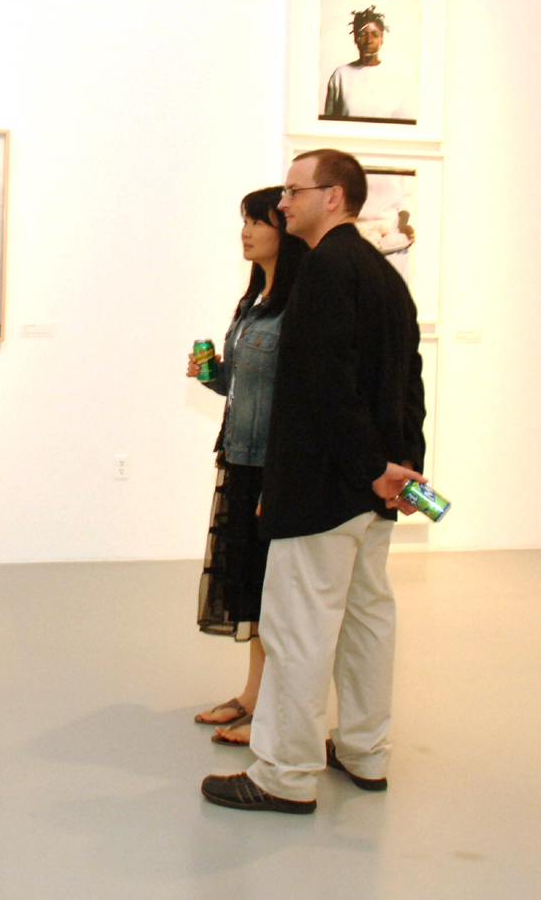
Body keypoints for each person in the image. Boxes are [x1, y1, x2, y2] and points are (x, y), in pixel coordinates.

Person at [202, 148, 426, 815]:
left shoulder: (325, 270)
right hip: (370, 495)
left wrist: (371, 468)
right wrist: (402, 470)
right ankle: (364, 751)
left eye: (293, 192)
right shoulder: (382, 274)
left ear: (333, 197)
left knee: (298, 626)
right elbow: (408, 384)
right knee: (366, 623)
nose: (283, 204)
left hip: (326, 490)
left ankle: (284, 773)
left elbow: (328, 390)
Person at [188, 186, 307, 747]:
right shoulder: (253, 301)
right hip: (239, 458)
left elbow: (296, 398)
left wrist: (280, 479)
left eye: (258, 222)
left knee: (276, 596)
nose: (246, 232)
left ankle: (271, 710)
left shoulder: (297, 305)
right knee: (253, 591)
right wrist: (211, 374)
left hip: (270, 466)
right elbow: (242, 385)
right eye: (245, 221)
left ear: (284, 231)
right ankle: (253, 697)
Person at [323, 6, 409, 121]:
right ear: (355, 38)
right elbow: (328, 121)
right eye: (363, 34)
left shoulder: (396, 77)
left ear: (382, 38)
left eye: (375, 34)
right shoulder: (340, 75)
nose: (369, 40)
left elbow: (403, 123)